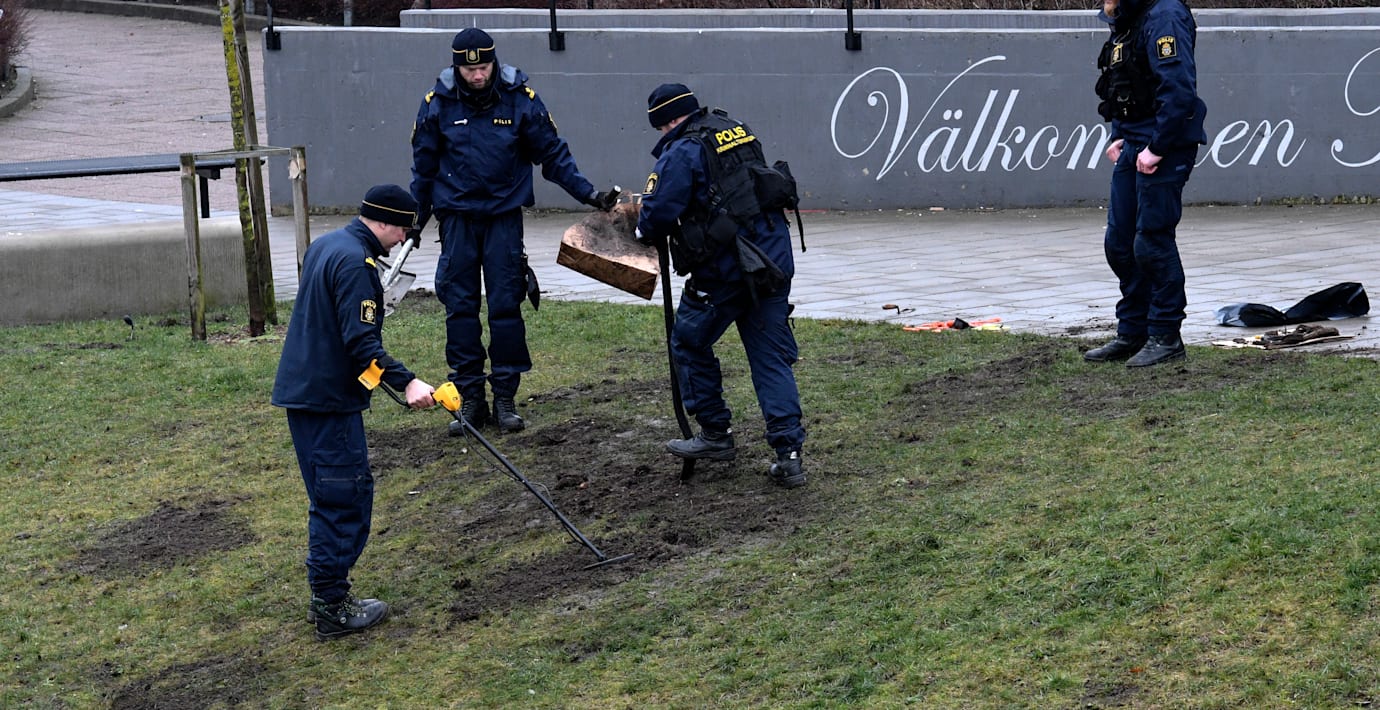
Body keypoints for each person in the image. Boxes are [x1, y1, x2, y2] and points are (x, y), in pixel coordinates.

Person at [410, 28, 618, 434]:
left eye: (484, 67)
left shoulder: (521, 100)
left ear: (494, 62)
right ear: (456, 67)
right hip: (457, 220)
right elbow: (424, 167)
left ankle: (505, 397)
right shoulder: (437, 104)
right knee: (460, 309)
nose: (477, 76)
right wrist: (415, 220)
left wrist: (589, 194)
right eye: (469, 69)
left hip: (503, 218)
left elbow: (553, 155)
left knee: (506, 306)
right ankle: (471, 399)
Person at [272, 184, 437, 641]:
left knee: (333, 494)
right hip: (327, 400)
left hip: (306, 392)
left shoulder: (327, 245)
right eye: (401, 229)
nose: (403, 239)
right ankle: (331, 605)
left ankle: (327, 597)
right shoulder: (356, 265)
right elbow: (361, 343)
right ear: (382, 221)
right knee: (343, 499)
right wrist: (408, 382)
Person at [634, 83, 807, 489]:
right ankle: (789, 456)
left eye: (661, 126)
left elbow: (656, 215)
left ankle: (715, 433)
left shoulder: (682, 150)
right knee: (770, 359)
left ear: (667, 121)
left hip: (728, 269)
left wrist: (642, 228)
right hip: (772, 262)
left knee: (688, 341)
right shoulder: (734, 128)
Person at [1084, 0, 1207, 368]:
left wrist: (1157, 147)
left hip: (1165, 144)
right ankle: (1133, 331)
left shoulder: (1165, 15)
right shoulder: (1130, 17)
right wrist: (1120, 134)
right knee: (1119, 243)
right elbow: (1123, 82)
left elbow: (1178, 90)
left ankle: (1166, 335)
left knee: (1152, 242)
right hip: (1135, 141)